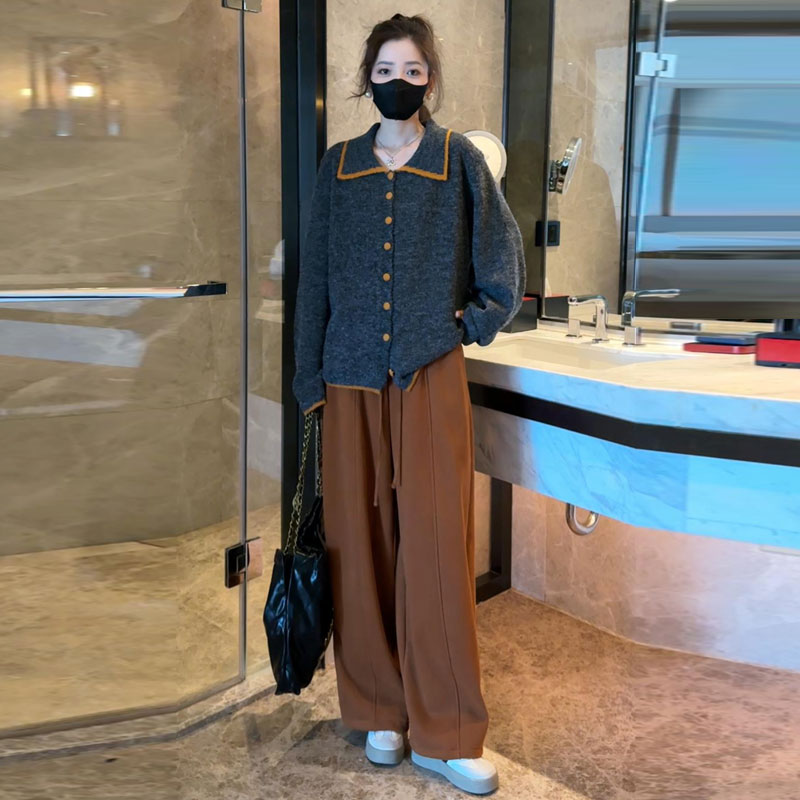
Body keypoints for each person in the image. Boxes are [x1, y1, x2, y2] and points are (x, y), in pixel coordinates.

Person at [292, 12, 525, 796]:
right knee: (358, 548)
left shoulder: (459, 160)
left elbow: (501, 260)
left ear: (430, 79)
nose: (400, 82)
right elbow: (315, 279)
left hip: (430, 374)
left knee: (436, 548)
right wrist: (307, 381)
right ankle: (378, 712)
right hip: (348, 379)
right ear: (369, 77)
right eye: (387, 70)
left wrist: (472, 323)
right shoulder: (339, 166)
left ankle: (448, 730)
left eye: (414, 71)